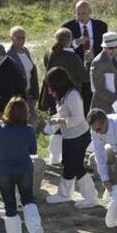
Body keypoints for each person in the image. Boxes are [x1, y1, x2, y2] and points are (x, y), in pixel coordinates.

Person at [0, 97, 44, 233]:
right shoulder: (29, 130)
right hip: (24, 169)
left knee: (10, 205)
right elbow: (32, 150)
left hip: (4, 170)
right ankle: (35, 229)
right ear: (25, 113)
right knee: (28, 199)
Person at [45, 67, 99, 209]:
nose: (49, 90)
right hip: (69, 136)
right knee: (68, 164)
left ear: (58, 84)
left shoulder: (73, 95)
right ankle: (64, 194)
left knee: (76, 166)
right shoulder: (64, 95)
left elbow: (78, 119)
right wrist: (54, 118)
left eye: (51, 86)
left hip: (79, 136)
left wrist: (59, 121)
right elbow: (64, 113)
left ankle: (91, 197)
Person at [38, 27, 89, 165]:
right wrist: (87, 62)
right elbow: (85, 77)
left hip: (52, 93)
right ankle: (63, 157)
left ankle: (54, 157)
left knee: (57, 125)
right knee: (67, 126)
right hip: (68, 95)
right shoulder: (73, 57)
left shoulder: (50, 52)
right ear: (70, 40)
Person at [62, 0, 108, 116]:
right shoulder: (68, 27)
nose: (80, 16)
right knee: (79, 97)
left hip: (96, 66)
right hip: (76, 69)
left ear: (90, 12)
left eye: (83, 13)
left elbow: (105, 47)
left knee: (95, 94)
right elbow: (62, 47)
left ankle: (96, 116)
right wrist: (77, 42)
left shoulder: (101, 26)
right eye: (78, 14)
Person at [7, 26, 40, 127]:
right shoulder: (8, 55)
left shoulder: (25, 51)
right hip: (18, 95)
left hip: (29, 92)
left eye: (23, 37)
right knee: (21, 122)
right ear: (11, 38)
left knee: (32, 121)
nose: (21, 40)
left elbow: (31, 70)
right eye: (18, 38)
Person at [90, 32, 117, 114]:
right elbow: (99, 89)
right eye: (111, 48)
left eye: (116, 47)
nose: (114, 50)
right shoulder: (98, 62)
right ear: (104, 47)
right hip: (106, 108)